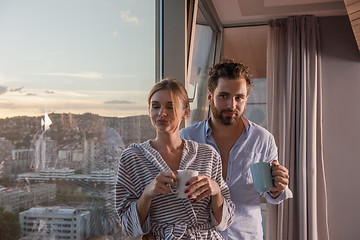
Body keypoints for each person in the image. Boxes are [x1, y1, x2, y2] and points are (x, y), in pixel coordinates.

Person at [180, 59, 293, 240]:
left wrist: (277, 187)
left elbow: (270, 194)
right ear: (210, 97)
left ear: (246, 100)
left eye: (238, 97)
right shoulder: (186, 138)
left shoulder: (263, 139)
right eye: (223, 96)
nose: (231, 105)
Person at [116, 78, 235, 239]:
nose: (161, 113)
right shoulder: (133, 158)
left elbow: (225, 222)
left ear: (186, 113)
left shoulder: (208, 155)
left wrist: (216, 191)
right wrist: (147, 194)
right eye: (155, 106)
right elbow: (127, 226)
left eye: (170, 107)